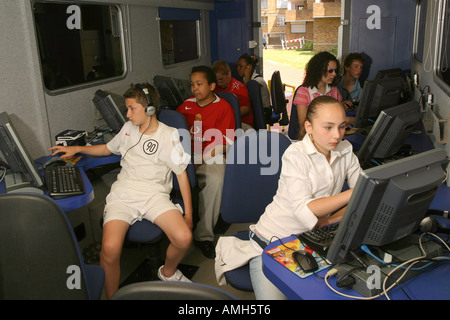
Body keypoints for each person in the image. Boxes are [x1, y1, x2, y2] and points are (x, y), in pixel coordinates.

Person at [49, 83, 193, 299]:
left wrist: (189, 214)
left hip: (154, 196)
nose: (127, 114)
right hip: (123, 195)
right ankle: (112, 297)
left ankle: (168, 272)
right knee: (109, 248)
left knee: (183, 237)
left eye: (132, 108)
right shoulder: (128, 129)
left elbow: (181, 174)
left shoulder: (169, 135)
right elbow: (108, 148)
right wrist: (77, 148)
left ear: (150, 109)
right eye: (127, 108)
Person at [215, 96, 362, 299]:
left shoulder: (345, 150)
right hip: (273, 242)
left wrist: (331, 220)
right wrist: (351, 197)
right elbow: (307, 210)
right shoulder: (295, 155)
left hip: (316, 238)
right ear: (309, 127)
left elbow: (364, 197)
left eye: (342, 127)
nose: (337, 135)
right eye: (328, 127)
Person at [177, 66, 236, 259]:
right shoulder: (185, 106)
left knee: (217, 180)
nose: (194, 88)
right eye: (192, 84)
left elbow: (226, 143)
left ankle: (203, 236)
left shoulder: (223, 107)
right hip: (187, 156)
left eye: (199, 84)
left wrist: (198, 159)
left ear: (211, 86)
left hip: (209, 156)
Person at [292, 51, 343, 140]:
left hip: (330, 137)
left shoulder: (334, 90)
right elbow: (304, 126)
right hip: (311, 139)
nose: (334, 74)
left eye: (335, 70)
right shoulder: (303, 92)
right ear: (318, 71)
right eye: (330, 71)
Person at [212, 60, 254, 130]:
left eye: (221, 79)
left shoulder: (239, 88)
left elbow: (246, 108)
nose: (219, 83)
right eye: (216, 80)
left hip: (242, 123)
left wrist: (228, 116)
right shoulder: (215, 88)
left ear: (228, 74)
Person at [237, 53, 272, 122]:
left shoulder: (257, 81)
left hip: (264, 111)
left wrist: (247, 75)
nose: (238, 69)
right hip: (256, 109)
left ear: (248, 67)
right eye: (238, 66)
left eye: (241, 66)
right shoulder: (246, 79)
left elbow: (246, 94)